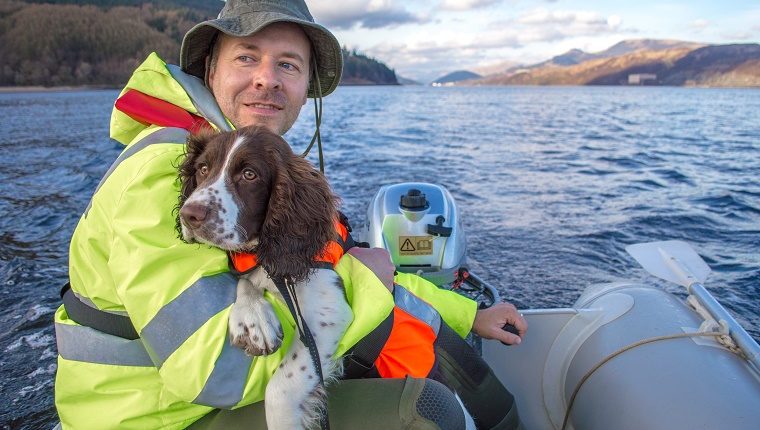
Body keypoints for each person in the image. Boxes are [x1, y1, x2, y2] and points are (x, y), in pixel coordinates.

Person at [53, 0, 527, 429]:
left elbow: (338, 266)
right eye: (247, 57)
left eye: (288, 64)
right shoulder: (166, 170)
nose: (267, 78)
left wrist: (468, 313)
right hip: (157, 418)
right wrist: (363, 284)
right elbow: (214, 369)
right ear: (210, 68)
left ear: (306, 88)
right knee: (427, 411)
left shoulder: (246, 160)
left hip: (201, 402)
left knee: (479, 386)